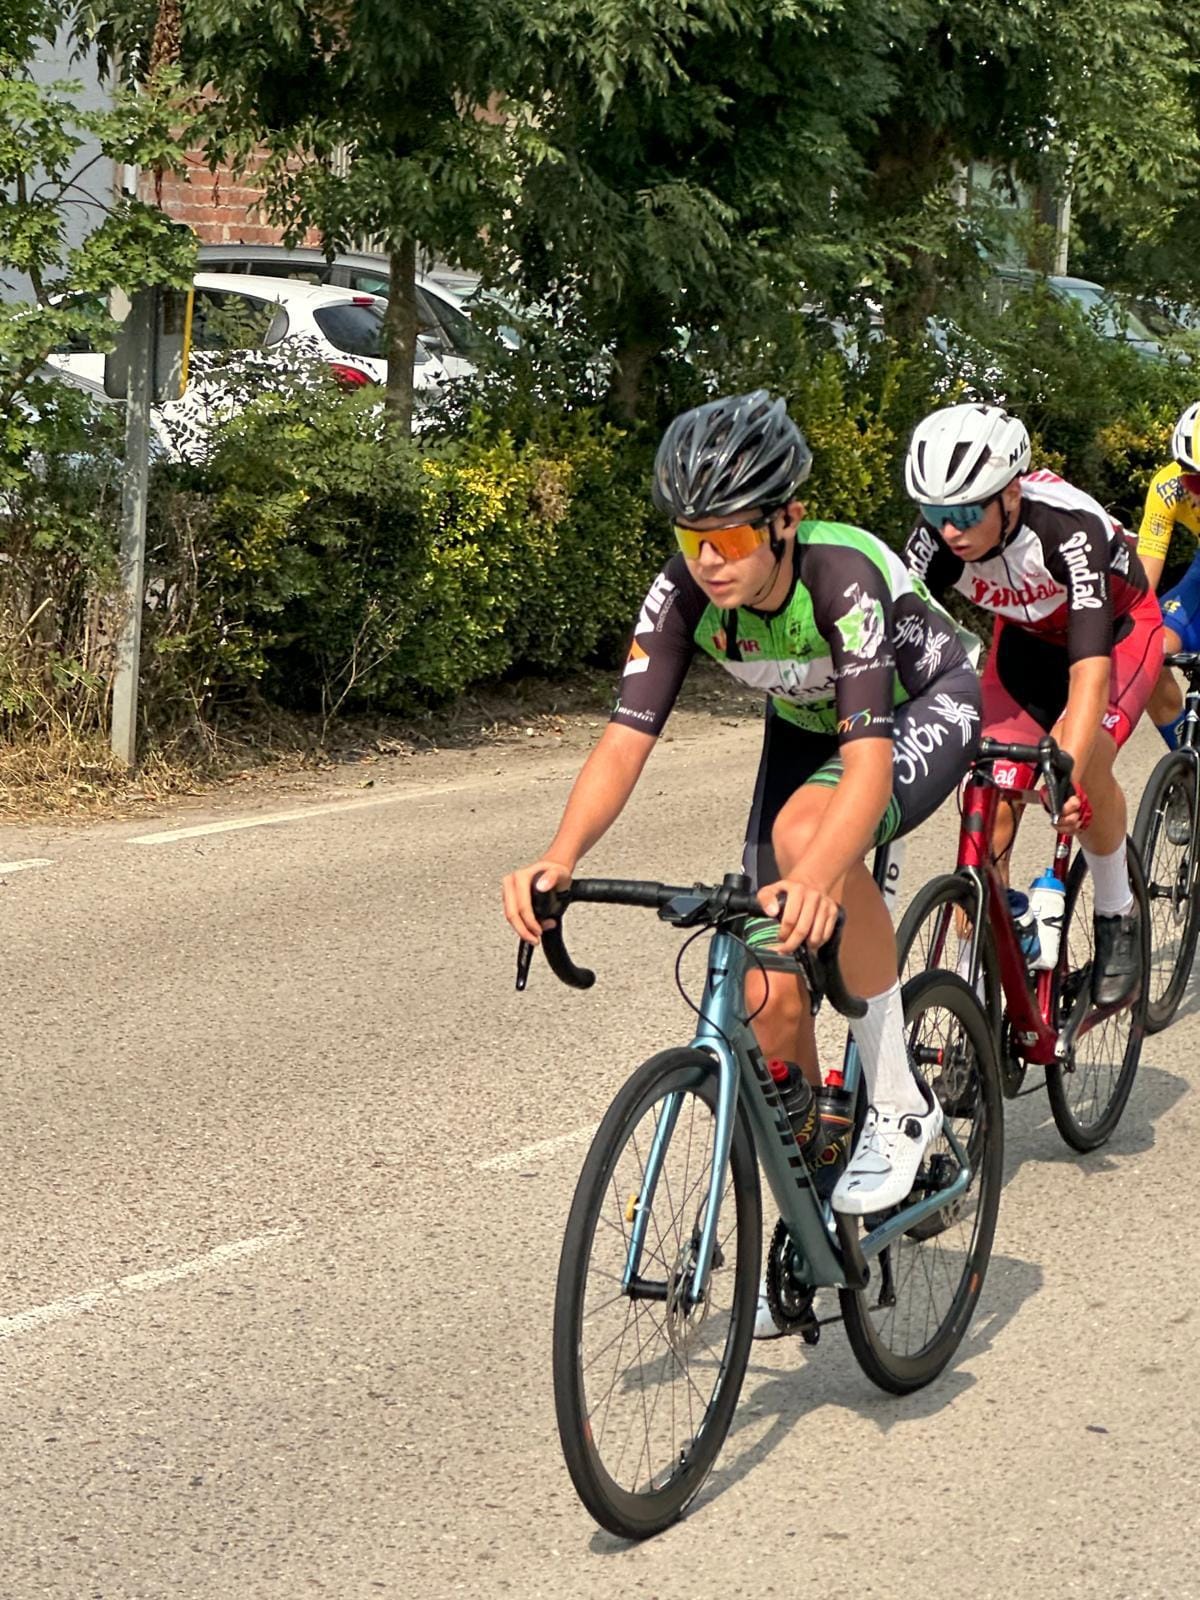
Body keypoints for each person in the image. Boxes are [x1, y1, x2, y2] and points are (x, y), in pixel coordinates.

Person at [503, 390, 983, 1286]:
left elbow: (869, 769)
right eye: (692, 539)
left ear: (786, 520)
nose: (708, 561)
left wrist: (826, 869)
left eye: (728, 538)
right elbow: (623, 739)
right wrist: (560, 857)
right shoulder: (683, 592)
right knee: (768, 996)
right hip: (809, 727)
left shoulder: (842, 580)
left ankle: (900, 1101)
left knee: (814, 838)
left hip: (927, 704)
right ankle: (814, 1197)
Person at [903, 401, 1161, 1004]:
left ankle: (1116, 914)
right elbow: (892, 638)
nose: (949, 531)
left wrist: (1064, 772)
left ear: (1011, 493)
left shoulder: (1067, 530)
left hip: (1116, 635)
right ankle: (974, 986)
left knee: (1085, 759)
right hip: (1023, 641)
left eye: (966, 512)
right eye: (934, 513)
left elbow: (1090, 673)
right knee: (988, 793)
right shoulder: (937, 540)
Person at [1134, 401, 1200, 758]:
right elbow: (1145, 571)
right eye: (1196, 480)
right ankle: (1190, 760)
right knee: (1147, 648)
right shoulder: (1167, 488)